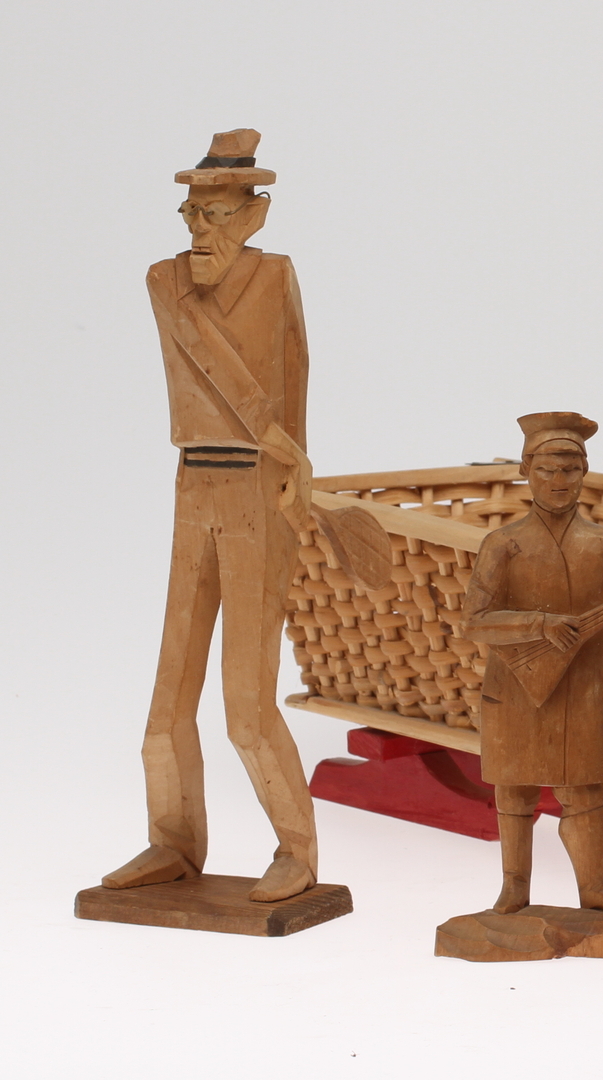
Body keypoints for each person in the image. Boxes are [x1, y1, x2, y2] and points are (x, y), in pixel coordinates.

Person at [103, 130, 321, 903]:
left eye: (218, 213)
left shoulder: (277, 275)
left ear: (255, 214)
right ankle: (172, 843)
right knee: (166, 704)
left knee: (246, 708)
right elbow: (209, 361)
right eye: (192, 212)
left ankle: (296, 851)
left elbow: (295, 377)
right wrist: (276, 440)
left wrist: (295, 472)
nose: (201, 227)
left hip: (259, 487)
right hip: (192, 485)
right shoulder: (166, 281)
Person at [463, 412, 603, 917]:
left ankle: (596, 889)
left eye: (570, 470)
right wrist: (538, 623)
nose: (558, 481)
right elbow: (473, 621)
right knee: (514, 790)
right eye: (546, 470)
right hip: (514, 684)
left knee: (585, 792)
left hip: (582, 687)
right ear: (525, 470)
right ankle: (513, 888)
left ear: (586, 472)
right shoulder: (504, 543)